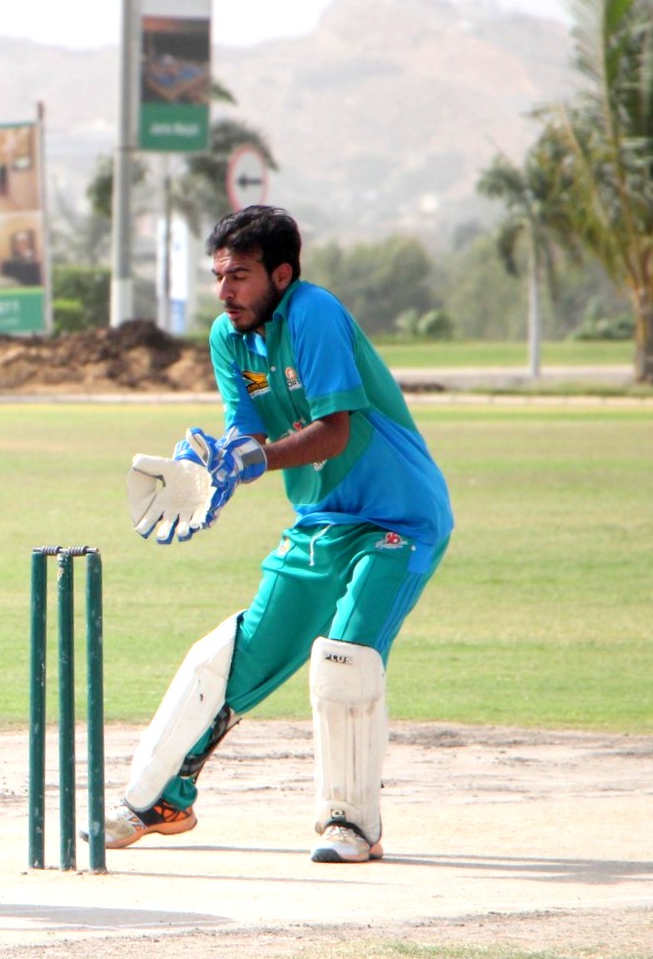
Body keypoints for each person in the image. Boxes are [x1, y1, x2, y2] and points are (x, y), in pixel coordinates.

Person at [109, 205, 453, 864]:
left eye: (239, 275)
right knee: (236, 653)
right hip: (321, 518)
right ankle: (158, 799)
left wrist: (255, 462)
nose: (224, 290)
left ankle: (351, 824)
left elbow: (334, 432)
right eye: (219, 275)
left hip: (400, 516)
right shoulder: (228, 336)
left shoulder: (313, 313)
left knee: (345, 654)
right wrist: (214, 468)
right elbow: (247, 430)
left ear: (282, 275)